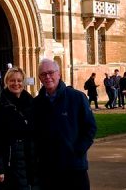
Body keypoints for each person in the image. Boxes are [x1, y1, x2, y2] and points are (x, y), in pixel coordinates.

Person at [33, 59, 97, 190]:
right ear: (39, 78)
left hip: (74, 168)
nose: (48, 77)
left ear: (59, 74)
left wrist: (77, 151)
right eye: (43, 74)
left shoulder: (77, 97)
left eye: (50, 72)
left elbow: (90, 127)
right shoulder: (36, 103)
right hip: (47, 170)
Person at [0, 67, 36, 190]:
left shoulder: (31, 102)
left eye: (19, 80)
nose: (16, 84)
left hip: (30, 160)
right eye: (12, 80)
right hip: (9, 163)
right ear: (6, 82)